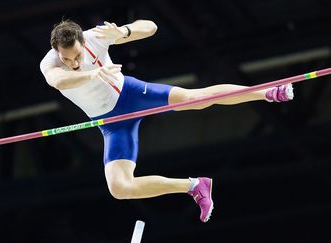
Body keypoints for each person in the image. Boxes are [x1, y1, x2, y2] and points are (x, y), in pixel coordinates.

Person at [40, 19, 293, 223]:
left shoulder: (95, 36)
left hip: (131, 95)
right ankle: (195, 186)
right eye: (67, 59)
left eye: (76, 56)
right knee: (119, 188)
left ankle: (268, 92)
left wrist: (124, 31)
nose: (73, 63)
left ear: (83, 42)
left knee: (196, 99)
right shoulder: (50, 63)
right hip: (110, 123)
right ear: (56, 52)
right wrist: (92, 73)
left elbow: (150, 26)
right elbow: (58, 81)